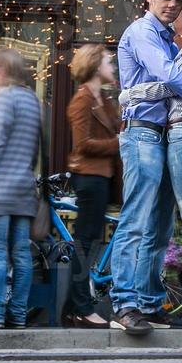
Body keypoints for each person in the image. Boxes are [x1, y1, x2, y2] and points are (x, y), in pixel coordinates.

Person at [108, 0, 182, 336]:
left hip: (164, 137)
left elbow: (170, 84)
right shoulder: (142, 33)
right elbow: (170, 76)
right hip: (142, 136)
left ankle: (150, 303)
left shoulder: (170, 40)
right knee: (136, 220)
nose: (173, 4)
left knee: (158, 228)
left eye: (179, 0)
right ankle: (125, 303)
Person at [0, 49, 42, 329]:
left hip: (0, 188)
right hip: (24, 187)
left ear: (3, 71)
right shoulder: (33, 101)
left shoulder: (6, 99)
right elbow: (36, 148)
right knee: (22, 254)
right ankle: (19, 314)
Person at [62, 43, 120, 328]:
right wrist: (118, 143)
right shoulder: (82, 100)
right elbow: (82, 145)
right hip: (89, 176)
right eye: (109, 63)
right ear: (96, 66)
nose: (113, 68)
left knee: (89, 242)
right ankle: (81, 307)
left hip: (102, 177)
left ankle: (71, 309)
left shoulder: (104, 100)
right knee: (85, 244)